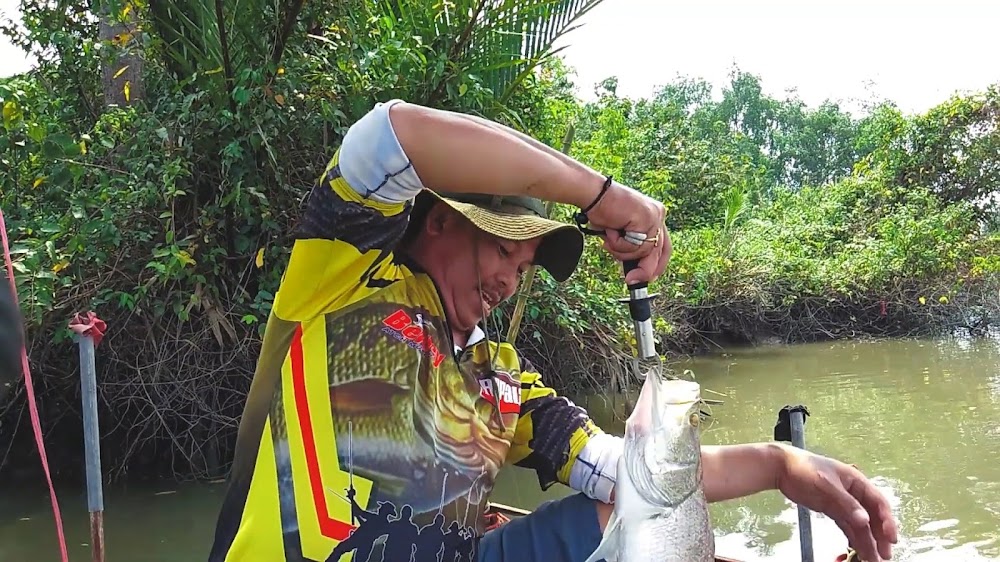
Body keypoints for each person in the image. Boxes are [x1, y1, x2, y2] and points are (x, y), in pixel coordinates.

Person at [207, 99, 899, 562]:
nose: (511, 278)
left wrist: (780, 468)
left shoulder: (499, 380)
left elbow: (632, 473)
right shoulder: (346, 276)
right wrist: (600, 196)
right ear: (442, 216)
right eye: (507, 245)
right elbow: (389, 136)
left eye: (526, 262)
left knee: (622, 523)